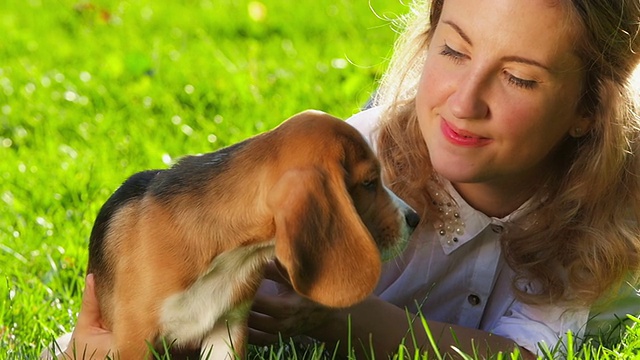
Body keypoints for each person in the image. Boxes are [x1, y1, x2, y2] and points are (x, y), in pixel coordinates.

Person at [44, 0, 640, 358]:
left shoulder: (587, 208)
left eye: (520, 78)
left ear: (588, 108)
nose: (465, 102)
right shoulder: (349, 167)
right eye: (454, 53)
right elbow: (188, 274)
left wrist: (348, 321)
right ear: (428, 40)